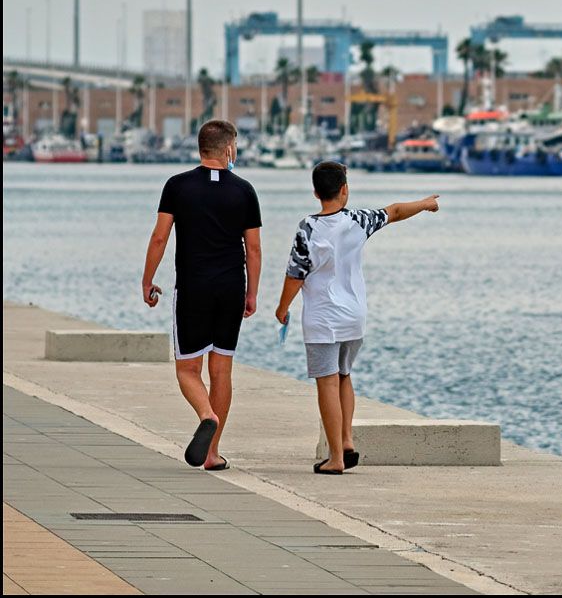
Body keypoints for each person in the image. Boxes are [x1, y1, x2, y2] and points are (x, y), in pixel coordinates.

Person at [275, 161, 438, 474]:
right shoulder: (358, 220)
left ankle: (335, 457)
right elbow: (396, 211)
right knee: (343, 375)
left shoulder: (308, 227)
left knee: (326, 382)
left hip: (323, 319)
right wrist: (425, 203)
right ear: (344, 190)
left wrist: (282, 309)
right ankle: (346, 440)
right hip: (354, 316)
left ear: (315, 192)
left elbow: (295, 274)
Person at [142, 119, 262, 470]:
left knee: (187, 369)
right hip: (231, 287)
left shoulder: (177, 186)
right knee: (221, 370)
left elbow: (160, 237)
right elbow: (253, 249)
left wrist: (147, 280)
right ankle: (212, 453)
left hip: (193, 287)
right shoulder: (244, 190)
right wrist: (252, 293)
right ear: (228, 149)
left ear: (200, 148)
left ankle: (206, 414)